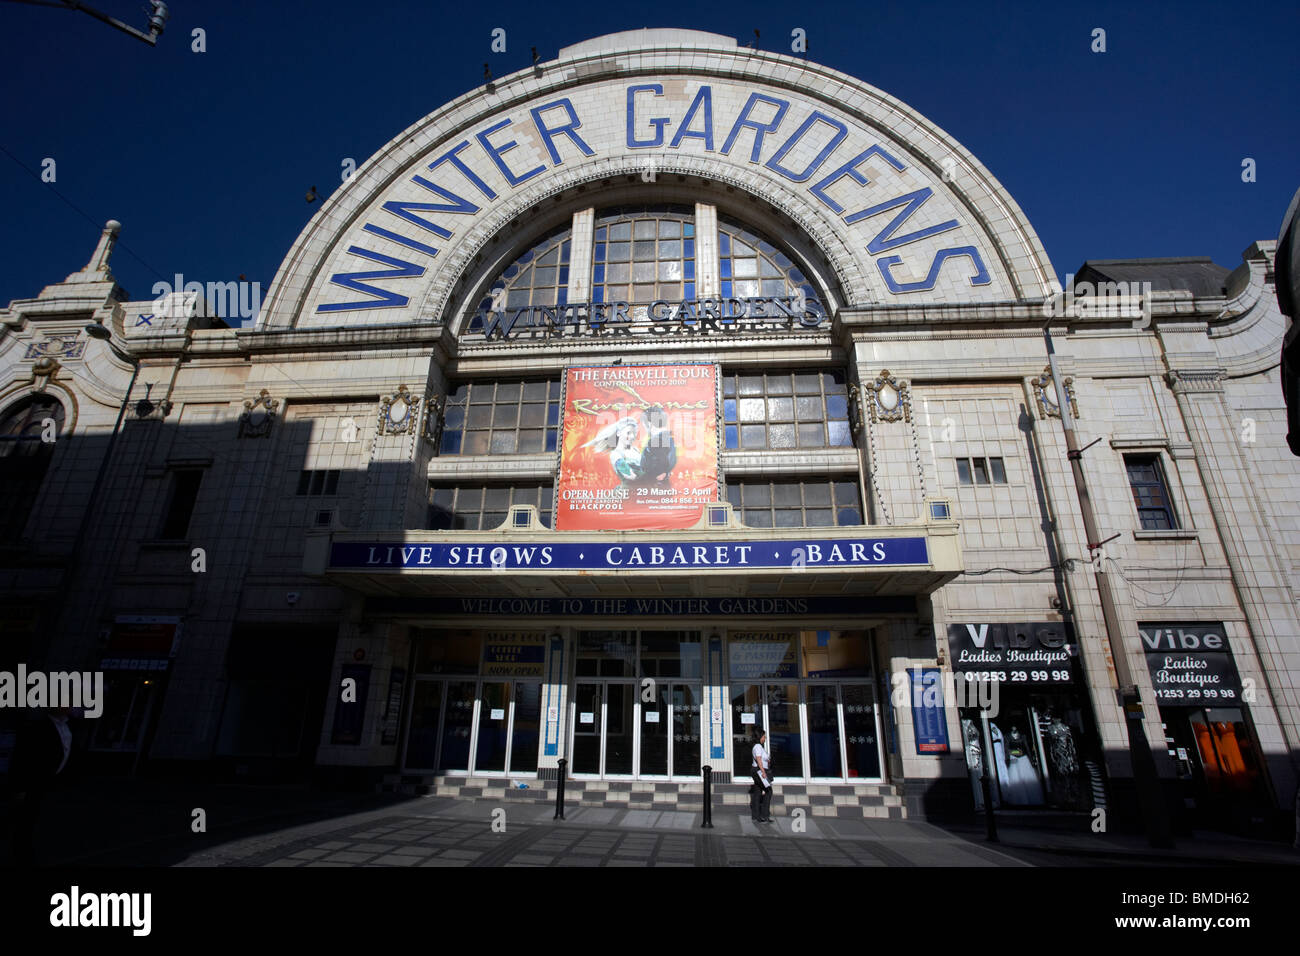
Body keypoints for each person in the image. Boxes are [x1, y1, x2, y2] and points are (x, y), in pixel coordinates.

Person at [750, 726, 773, 823]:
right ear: (760, 736)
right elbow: (759, 759)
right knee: (768, 791)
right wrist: (763, 772)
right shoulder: (758, 747)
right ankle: (764, 815)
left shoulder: (758, 747)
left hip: (757, 770)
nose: (765, 738)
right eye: (764, 736)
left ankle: (756, 816)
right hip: (759, 771)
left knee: (758, 792)